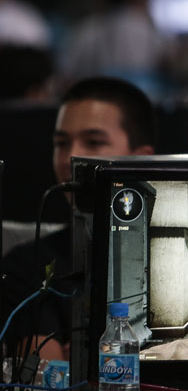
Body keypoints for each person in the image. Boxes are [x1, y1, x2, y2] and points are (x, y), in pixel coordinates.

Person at [0, 76, 155, 364]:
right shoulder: (29, 264)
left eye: (93, 141)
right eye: (61, 143)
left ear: (141, 159)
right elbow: (47, 373)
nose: (69, 157)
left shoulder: (157, 253)